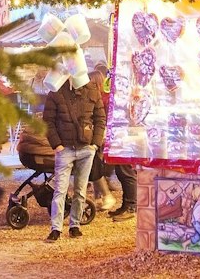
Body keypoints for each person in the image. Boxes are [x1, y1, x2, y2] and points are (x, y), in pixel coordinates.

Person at [42, 69, 103, 243]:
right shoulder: (56, 91)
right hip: (66, 149)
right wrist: (57, 145)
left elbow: (100, 118)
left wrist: (95, 143)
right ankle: (56, 228)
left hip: (86, 148)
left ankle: (74, 225)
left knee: (80, 190)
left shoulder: (92, 90)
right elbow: (48, 121)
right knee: (60, 190)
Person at [82, 67, 137, 219]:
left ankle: (131, 207)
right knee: (121, 171)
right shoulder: (108, 97)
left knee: (126, 172)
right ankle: (126, 205)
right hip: (117, 137)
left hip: (121, 138)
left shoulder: (109, 98)